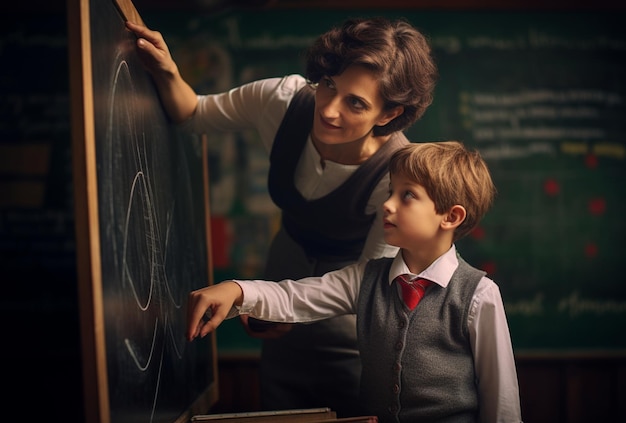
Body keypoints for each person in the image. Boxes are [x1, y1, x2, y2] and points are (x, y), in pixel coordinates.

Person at [126, 16, 438, 417]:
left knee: (351, 406)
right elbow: (194, 114)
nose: (328, 109)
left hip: (351, 315)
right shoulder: (282, 100)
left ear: (388, 114)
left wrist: (263, 297)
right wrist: (168, 71)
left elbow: (366, 282)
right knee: (278, 404)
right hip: (283, 267)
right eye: (328, 84)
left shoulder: (397, 173)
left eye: (355, 102)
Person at [186, 141, 523, 423]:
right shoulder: (367, 277)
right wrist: (237, 289)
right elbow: (298, 297)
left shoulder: (479, 295)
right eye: (391, 191)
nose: (387, 205)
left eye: (407, 196)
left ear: (451, 216)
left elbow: (501, 399)